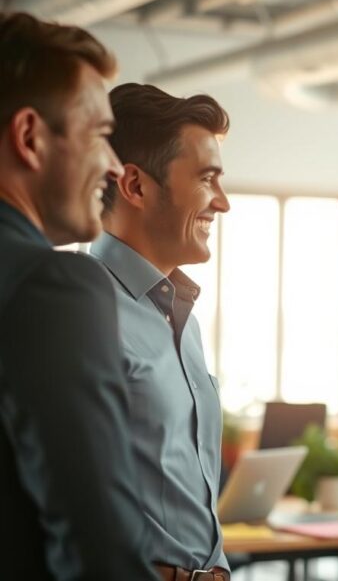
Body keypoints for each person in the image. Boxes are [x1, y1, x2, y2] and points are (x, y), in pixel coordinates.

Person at [0, 12, 157, 580]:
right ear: (30, 138)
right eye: (99, 136)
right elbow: (101, 545)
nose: (113, 167)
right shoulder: (52, 286)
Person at [92, 83, 231, 580]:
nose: (223, 203)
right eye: (207, 179)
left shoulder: (180, 317)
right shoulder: (82, 311)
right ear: (135, 186)